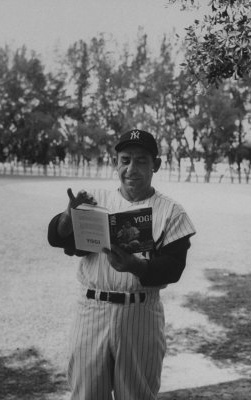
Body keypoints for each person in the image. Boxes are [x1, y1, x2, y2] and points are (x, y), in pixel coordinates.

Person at [48, 129, 196, 400]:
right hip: (92, 310)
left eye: (141, 161)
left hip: (140, 312)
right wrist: (68, 218)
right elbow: (63, 242)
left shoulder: (172, 211)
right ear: (115, 163)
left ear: (156, 165)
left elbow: (174, 267)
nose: (131, 168)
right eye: (125, 159)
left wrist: (135, 266)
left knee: (137, 395)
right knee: (86, 394)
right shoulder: (96, 201)